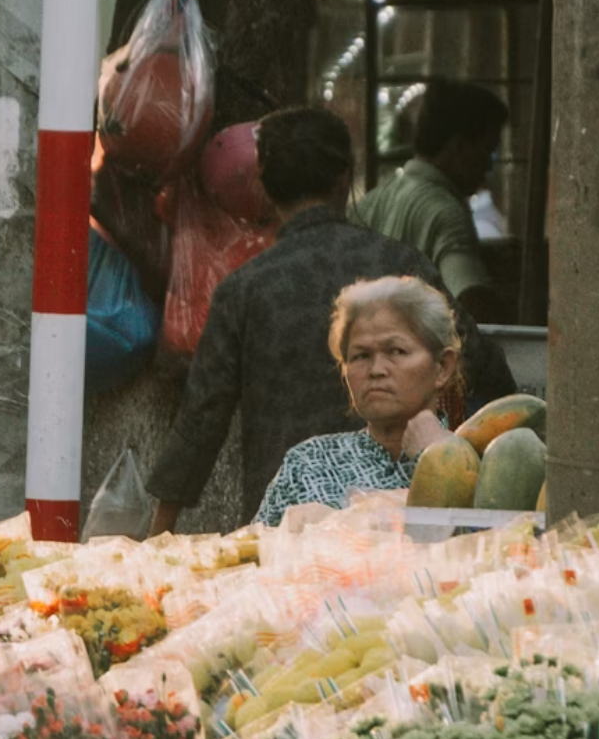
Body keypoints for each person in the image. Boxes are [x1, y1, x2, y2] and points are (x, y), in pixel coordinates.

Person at [145, 108, 513, 536]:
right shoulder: (401, 267)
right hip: (403, 527)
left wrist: (158, 533)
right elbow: (484, 367)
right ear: (344, 178)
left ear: (263, 186)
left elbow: (200, 422)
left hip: (287, 528)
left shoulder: (244, 289)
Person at [251, 276, 462, 526]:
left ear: (442, 367)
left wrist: (438, 457)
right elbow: (248, 555)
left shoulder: (480, 466)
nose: (376, 370)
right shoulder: (309, 463)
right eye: (361, 356)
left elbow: (498, 549)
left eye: (396, 351)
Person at [350, 79, 510, 324]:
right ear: (458, 149)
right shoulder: (446, 213)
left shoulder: (371, 202)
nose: (488, 164)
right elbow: (473, 302)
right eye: (486, 150)